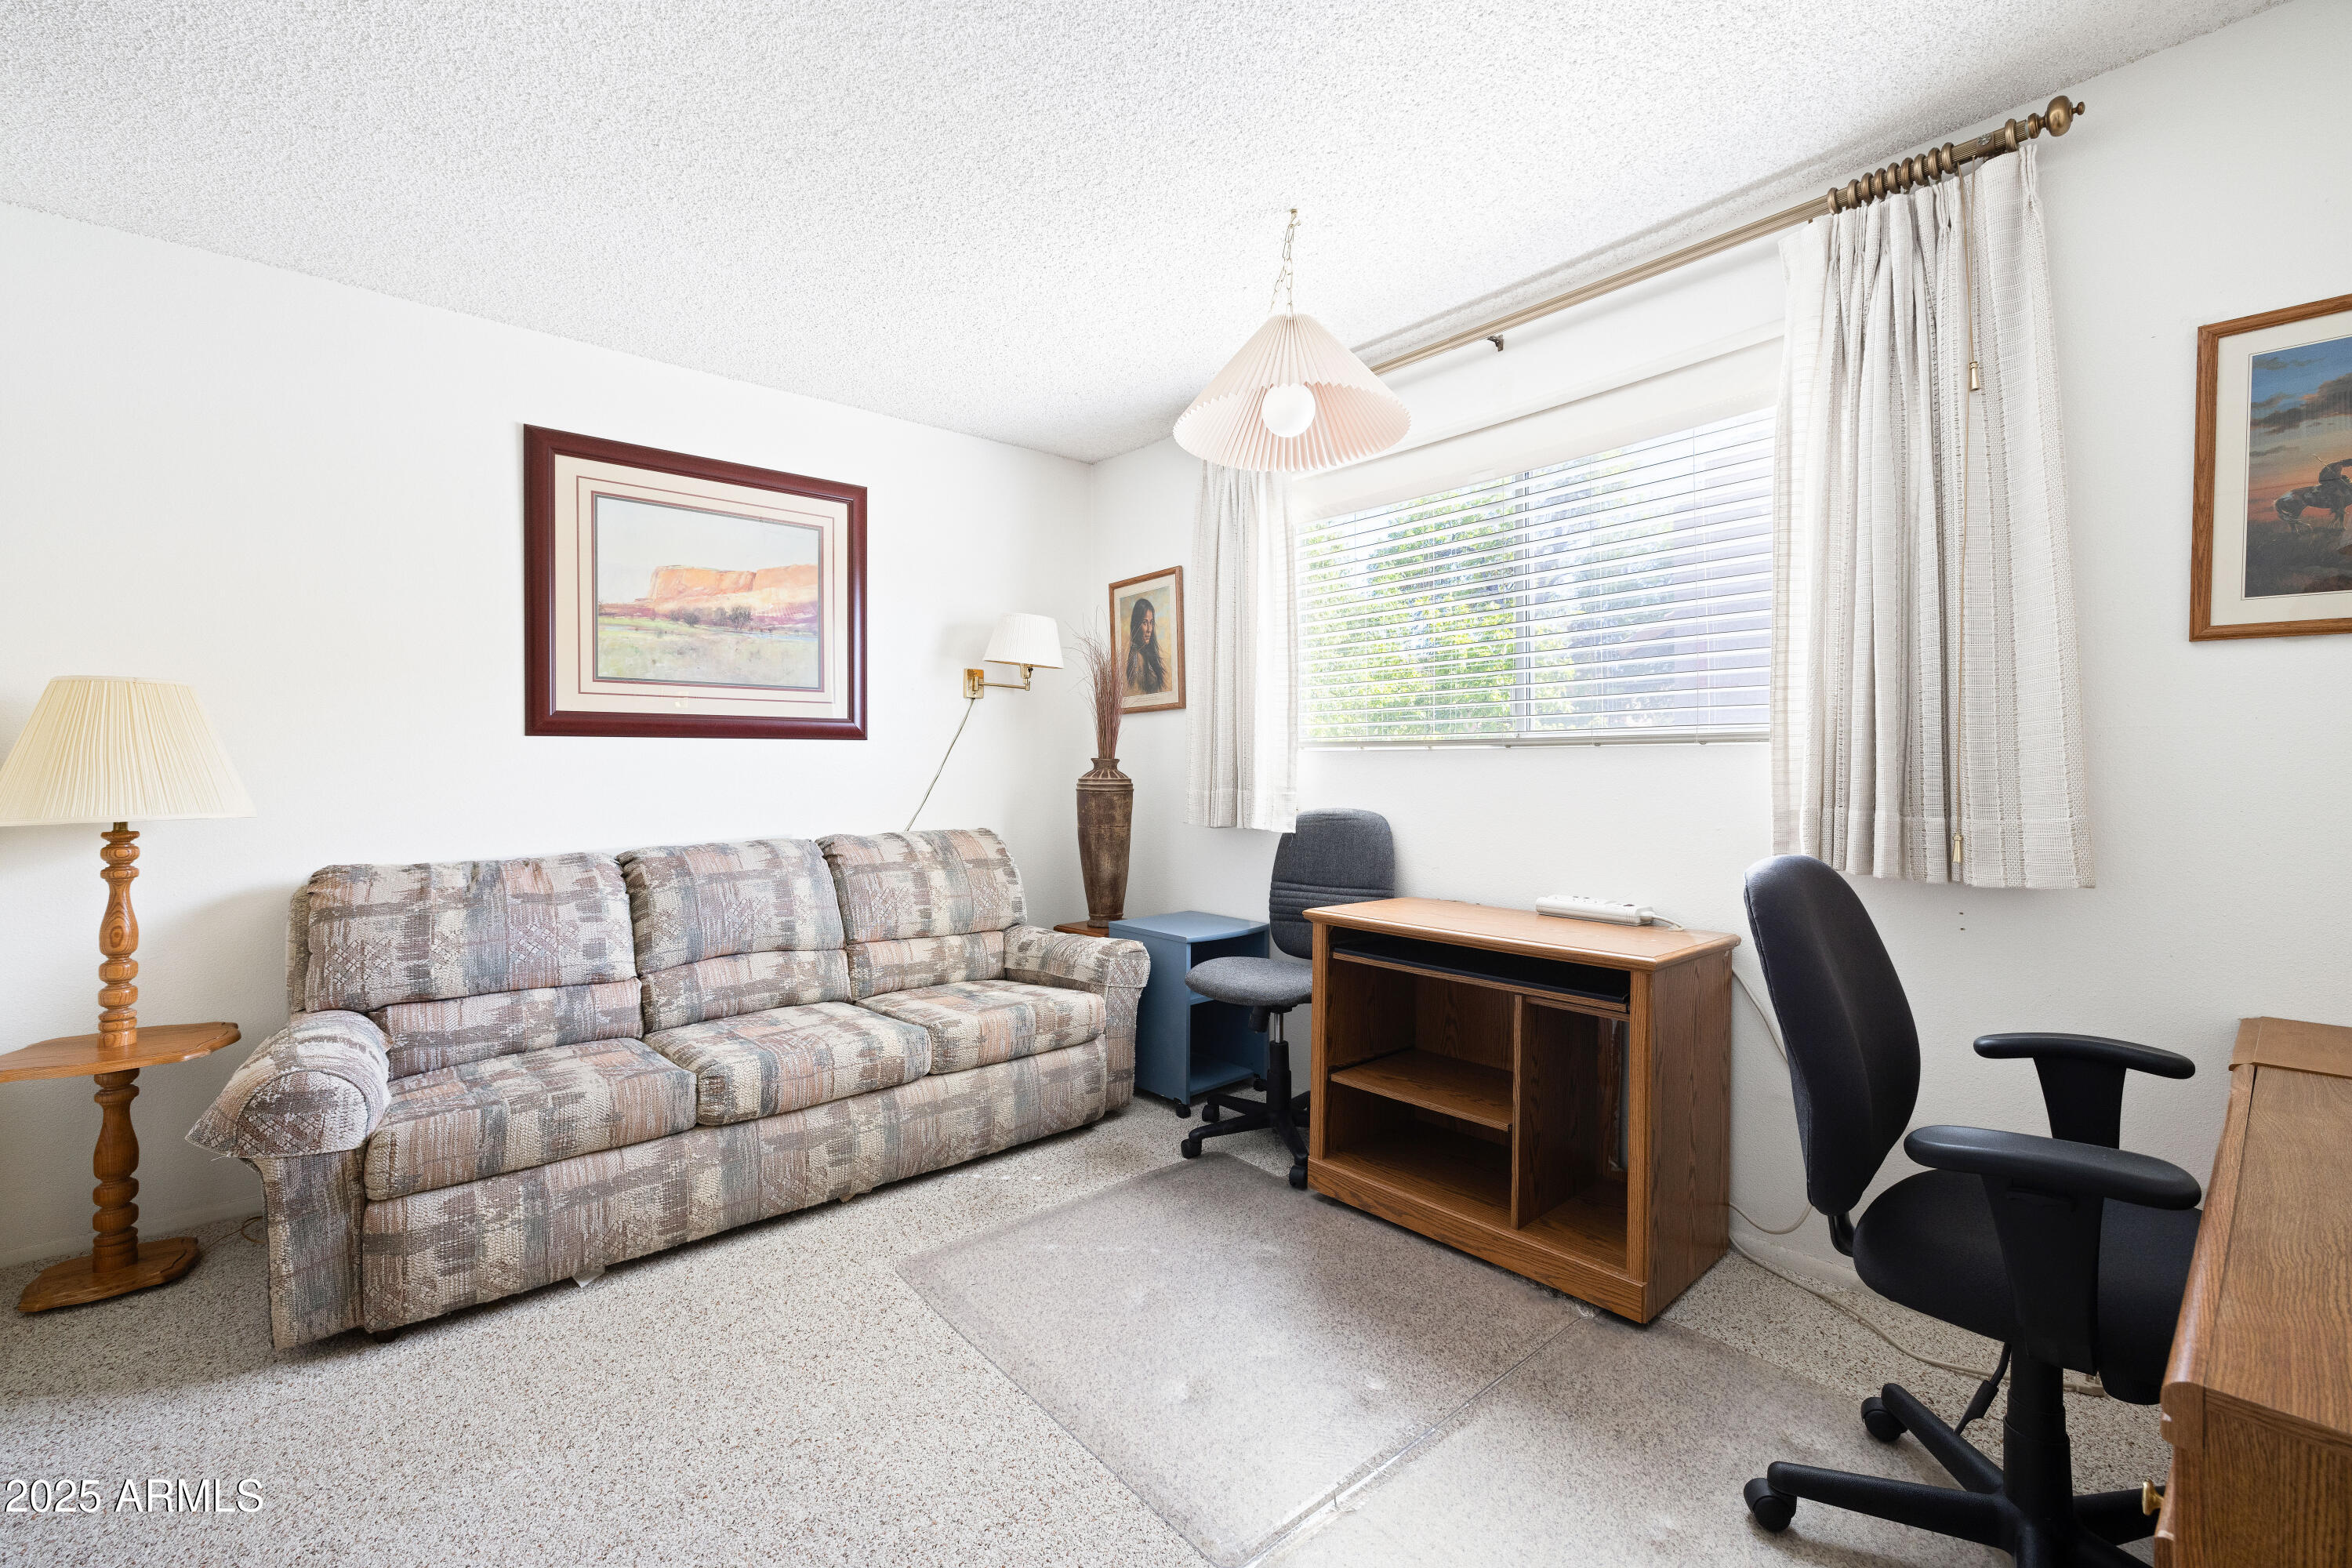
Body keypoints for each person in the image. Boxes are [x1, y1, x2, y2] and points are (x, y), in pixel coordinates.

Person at [1124, 596, 1167, 695]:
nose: (1149, 629)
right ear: (1137, 625)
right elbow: (1136, 695)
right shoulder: (1136, 657)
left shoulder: (1145, 653)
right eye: (1145, 623)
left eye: (1151, 623)